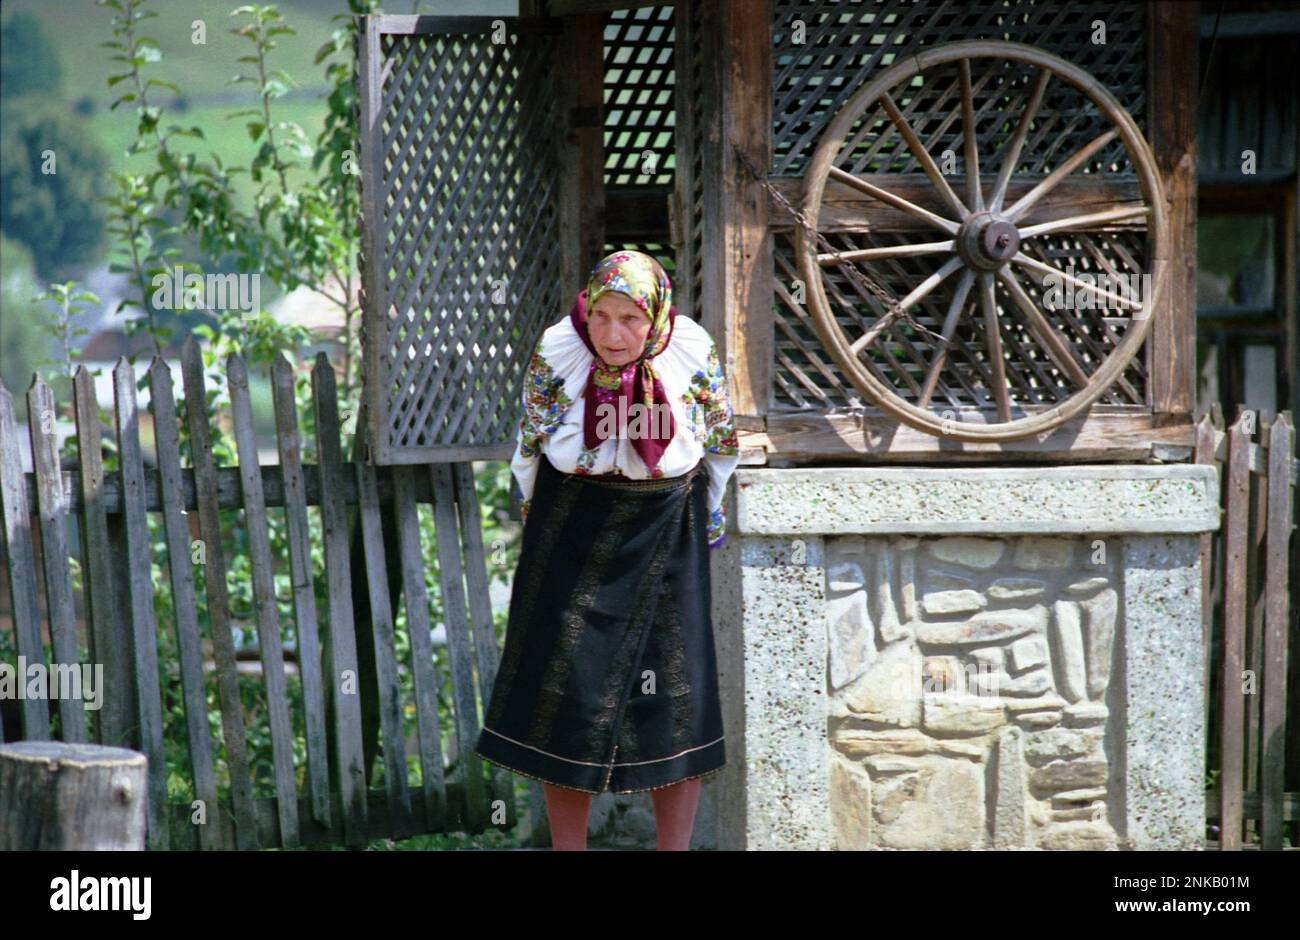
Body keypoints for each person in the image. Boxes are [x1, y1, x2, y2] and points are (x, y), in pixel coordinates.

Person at [472, 249, 741, 850]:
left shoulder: (691, 347)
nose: (613, 335)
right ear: (586, 312)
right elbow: (530, 444)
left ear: (657, 317)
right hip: (573, 526)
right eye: (602, 318)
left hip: (667, 524)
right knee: (565, 695)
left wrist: (712, 512)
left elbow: (719, 437)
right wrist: (535, 518)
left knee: (674, 700)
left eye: (630, 320)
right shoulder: (558, 349)